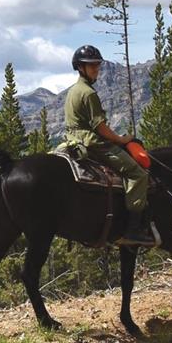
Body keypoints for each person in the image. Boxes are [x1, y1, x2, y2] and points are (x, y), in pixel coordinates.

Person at [65, 45, 154, 246]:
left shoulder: (73, 91)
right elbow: (100, 128)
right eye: (92, 65)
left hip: (71, 139)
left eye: (97, 64)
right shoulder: (88, 93)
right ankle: (133, 229)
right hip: (92, 142)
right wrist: (122, 140)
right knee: (137, 174)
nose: (96, 68)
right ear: (80, 67)